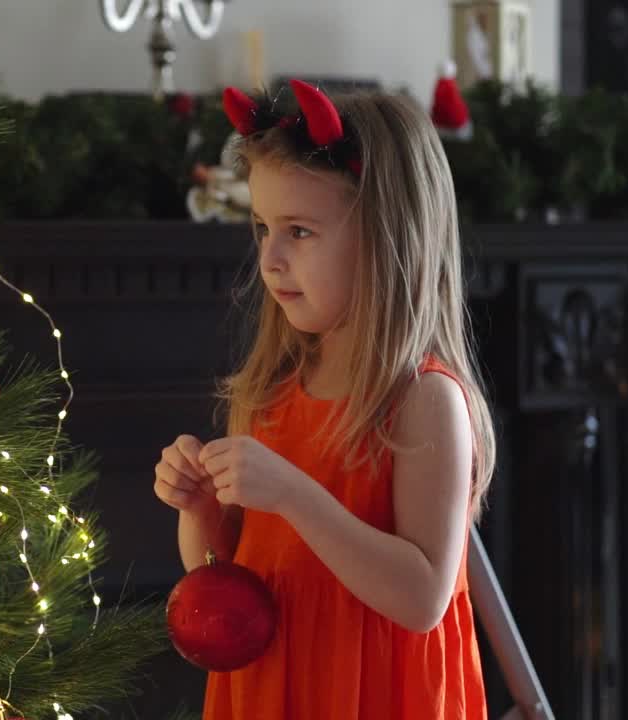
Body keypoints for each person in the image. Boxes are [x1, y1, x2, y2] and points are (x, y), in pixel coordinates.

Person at [153, 80, 497, 718]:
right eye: (261, 228)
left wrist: (293, 494)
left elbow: (422, 598)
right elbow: (232, 571)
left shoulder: (423, 401)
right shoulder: (270, 391)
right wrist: (199, 509)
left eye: (300, 232)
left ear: (388, 238)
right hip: (275, 690)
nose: (270, 259)